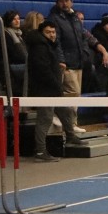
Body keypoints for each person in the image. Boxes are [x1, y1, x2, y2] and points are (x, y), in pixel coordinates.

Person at [26, 20, 83, 162]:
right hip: (44, 90)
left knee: (65, 111)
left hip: (53, 88)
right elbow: (43, 69)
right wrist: (55, 82)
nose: (52, 35)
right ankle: (40, 151)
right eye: (48, 32)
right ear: (42, 33)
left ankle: (70, 136)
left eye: (53, 32)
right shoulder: (39, 47)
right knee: (45, 119)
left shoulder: (48, 45)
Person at [47, 0, 108, 101]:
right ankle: (69, 114)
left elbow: (85, 37)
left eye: (67, 0)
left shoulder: (75, 18)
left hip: (78, 63)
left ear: (71, 2)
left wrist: (89, 53)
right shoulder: (54, 18)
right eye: (61, 1)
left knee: (75, 95)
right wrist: (61, 60)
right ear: (57, 3)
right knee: (72, 94)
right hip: (67, 64)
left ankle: (70, 113)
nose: (64, 3)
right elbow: (56, 41)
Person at [0, 9, 27, 96]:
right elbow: (12, 54)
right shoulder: (4, 35)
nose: (17, 21)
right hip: (11, 69)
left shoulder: (19, 35)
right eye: (14, 19)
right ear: (9, 21)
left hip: (17, 67)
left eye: (18, 18)